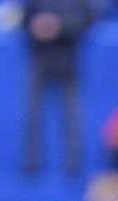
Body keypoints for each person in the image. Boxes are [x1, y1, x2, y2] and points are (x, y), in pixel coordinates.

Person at [22, 0, 98, 177]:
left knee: (71, 115)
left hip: (68, 60)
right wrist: (34, 25)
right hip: (39, 59)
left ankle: (73, 166)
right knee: (33, 114)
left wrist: (60, 26)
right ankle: (31, 164)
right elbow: (23, 17)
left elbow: (89, 18)